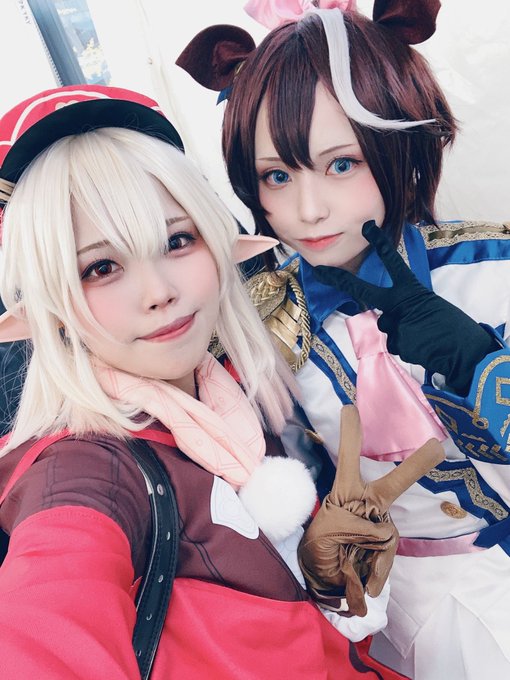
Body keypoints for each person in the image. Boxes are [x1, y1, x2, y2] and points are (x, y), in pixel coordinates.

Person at [0, 84, 413, 679]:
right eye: (101, 267)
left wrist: (315, 571)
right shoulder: (83, 473)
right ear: (53, 305)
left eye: (176, 240)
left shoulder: (233, 392)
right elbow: (45, 624)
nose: (159, 291)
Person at [177, 1, 510, 678]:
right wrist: (322, 556)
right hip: (385, 612)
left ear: (399, 149)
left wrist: (481, 363)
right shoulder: (254, 327)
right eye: (277, 176)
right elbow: (274, 497)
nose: (308, 210)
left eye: (341, 164)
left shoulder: (491, 268)